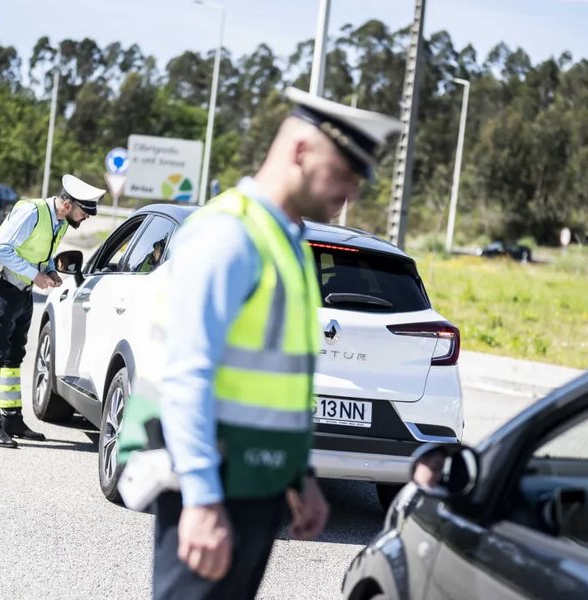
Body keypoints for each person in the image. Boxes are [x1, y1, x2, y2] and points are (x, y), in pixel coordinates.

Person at [118, 88, 401, 599]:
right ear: (299, 152)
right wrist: (203, 501)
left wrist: (301, 478)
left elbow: (280, 385)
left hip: (257, 484)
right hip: (212, 484)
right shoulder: (229, 235)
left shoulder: (286, 240)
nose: (351, 193)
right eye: (344, 173)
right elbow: (188, 373)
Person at [0, 174, 104, 449]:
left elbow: (42, 254)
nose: (86, 218)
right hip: (0, 286)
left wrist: (47, 271)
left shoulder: (60, 222)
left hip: (21, 292)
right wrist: (35, 275)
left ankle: (11, 419)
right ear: (68, 204)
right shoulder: (31, 211)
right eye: (85, 211)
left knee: (14, 357)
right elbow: (1, 249)